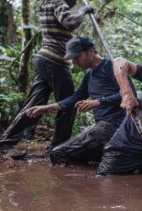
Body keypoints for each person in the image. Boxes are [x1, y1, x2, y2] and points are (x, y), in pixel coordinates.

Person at [0, 0, 94, 156]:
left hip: (44, 59)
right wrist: (83, 10)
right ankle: (58, 148)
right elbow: (70, 22)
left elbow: (65, 14)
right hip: (55, 61)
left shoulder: (49, 3)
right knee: (68, 105)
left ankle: (2, 145)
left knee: (34, 105)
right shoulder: (58, 2)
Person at [26, 37, 135, 165]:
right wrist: (45, 108)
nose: (74, 61)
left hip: (116, 125)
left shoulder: (112, 67)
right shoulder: (89, 75)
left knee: (58, 154)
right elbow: (75, 98)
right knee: (66, 154)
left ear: (91, 51)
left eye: (77, 57)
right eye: (72, 58)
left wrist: (98, 102)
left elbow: (129, 93)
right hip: (102, 128)